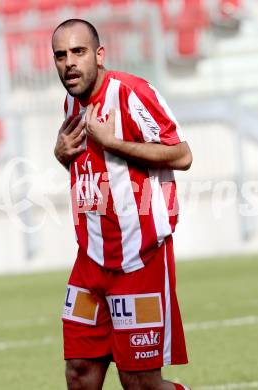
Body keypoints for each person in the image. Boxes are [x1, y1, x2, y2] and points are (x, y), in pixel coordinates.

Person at [52, 18, 193, 390]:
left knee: (140, 383)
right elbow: (83, 163)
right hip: (90, 261)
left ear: (99, 55)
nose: (69, 63)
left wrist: (114, 143)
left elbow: (181, 154)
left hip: (139, 259)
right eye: (61, 55)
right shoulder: (71, 101)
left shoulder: (132, 92)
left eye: (78, 52)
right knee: (79, 372)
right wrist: (59, 154)